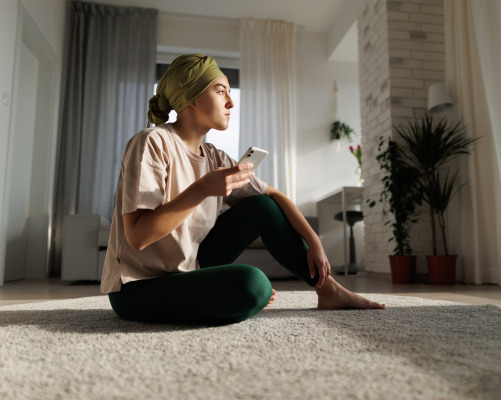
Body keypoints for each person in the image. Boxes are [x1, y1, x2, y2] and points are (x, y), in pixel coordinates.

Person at [100, 54, 385, 325]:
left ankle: (328, 290)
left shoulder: (215, 157)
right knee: (254, 284)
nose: (231, 103)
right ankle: (239, 295)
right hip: (137, 288)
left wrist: (314, 241)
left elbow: (273, 197)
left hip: (189, 270)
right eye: (221, 91)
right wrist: (202, 189)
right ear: (192, 98)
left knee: (261, 207)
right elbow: (138, 237)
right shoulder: (151, 142)